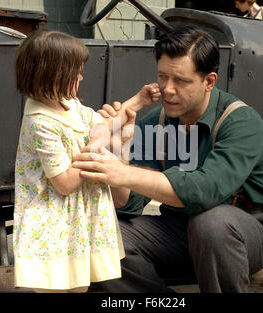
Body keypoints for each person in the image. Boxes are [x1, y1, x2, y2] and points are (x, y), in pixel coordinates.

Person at [72, 26, 263, 293]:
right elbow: (129, 204)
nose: (167, 89)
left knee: (211, 225)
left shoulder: (241, 122)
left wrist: (124, 173)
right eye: (162, 77)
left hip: (244, 231)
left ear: (209, 81)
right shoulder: (156, 122)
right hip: (179, 230)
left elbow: (204, 191)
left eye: (180, 80)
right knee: (96, 234)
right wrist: (116, 152)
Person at [12, 29, 160, 292]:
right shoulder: (40, 121)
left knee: (79, 286)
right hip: (55, 226)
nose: (81, 76)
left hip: (76, 223)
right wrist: (96, 145)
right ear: (55, 75)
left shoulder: (68, 104)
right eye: (77, 72)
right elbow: (65, 183)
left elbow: (101, 124)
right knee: (57, 286)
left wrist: (138, 101)